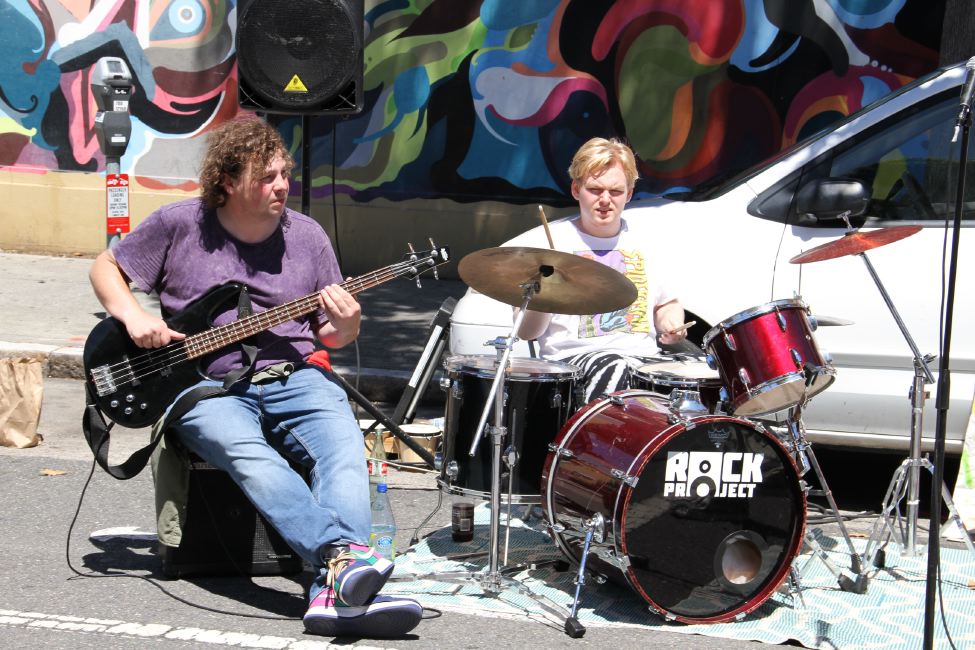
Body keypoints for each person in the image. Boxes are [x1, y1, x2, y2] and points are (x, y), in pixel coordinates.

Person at [88, 117, 422, 638]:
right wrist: (134, 317)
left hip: (295, 376)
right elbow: (105, 268)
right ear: (227, 180)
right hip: (203, 385)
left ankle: (334, 587)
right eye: (267, 177)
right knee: (249, 455)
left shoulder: (306, 236)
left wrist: (349, 323)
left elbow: (330, 335)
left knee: (342, 449)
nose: (282, 185)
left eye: (284, 173)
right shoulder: (181, 224)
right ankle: (343, 561)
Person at [512, 137, 688, 404]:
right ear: (576, 189)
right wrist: (546, 291)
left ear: (629, 194)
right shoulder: (549, 242)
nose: (605, 200)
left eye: (615, 192)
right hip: (572, 365)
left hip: (643, 361)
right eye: (595, 190)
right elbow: (526, 332)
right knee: (615, 366)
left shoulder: (648, 241)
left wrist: (672, 324)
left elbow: (667, 304)